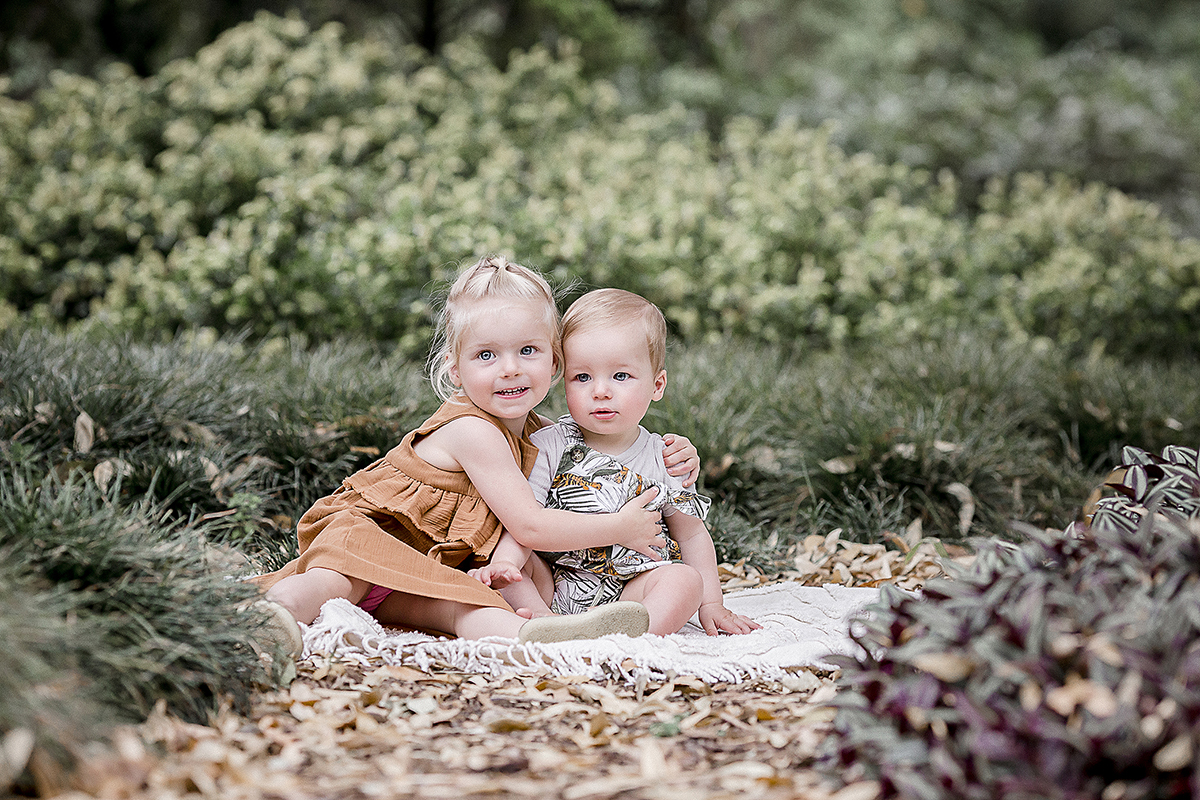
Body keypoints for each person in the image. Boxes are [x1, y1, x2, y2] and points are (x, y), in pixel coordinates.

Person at [253, 257, 701, 648]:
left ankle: (540, 636)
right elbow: (529, 525)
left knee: (468, 608)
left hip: (429, 572)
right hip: (369, 544)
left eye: (528, 350)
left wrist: (678, 454)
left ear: (554, 361)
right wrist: (618, 526)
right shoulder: (473, 431)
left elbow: (606, 454)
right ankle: (269, 617)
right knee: (329, 583)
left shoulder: (542, 435)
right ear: (456, 368)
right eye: (486, 355)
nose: (510, 369)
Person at [471, 289, 761, 638]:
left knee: (684, 580)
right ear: (562, 381)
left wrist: (711, 603)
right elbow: (523, 524)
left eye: (620, 376)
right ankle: (546, 624)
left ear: (657, 385)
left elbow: (693, 534)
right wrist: (505, 562)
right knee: (510, 571)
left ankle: (636, 635)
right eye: (582, 377)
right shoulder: (549, 445)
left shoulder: (666, 457)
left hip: (632, 590)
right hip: (556, 582)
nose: (601, 391)